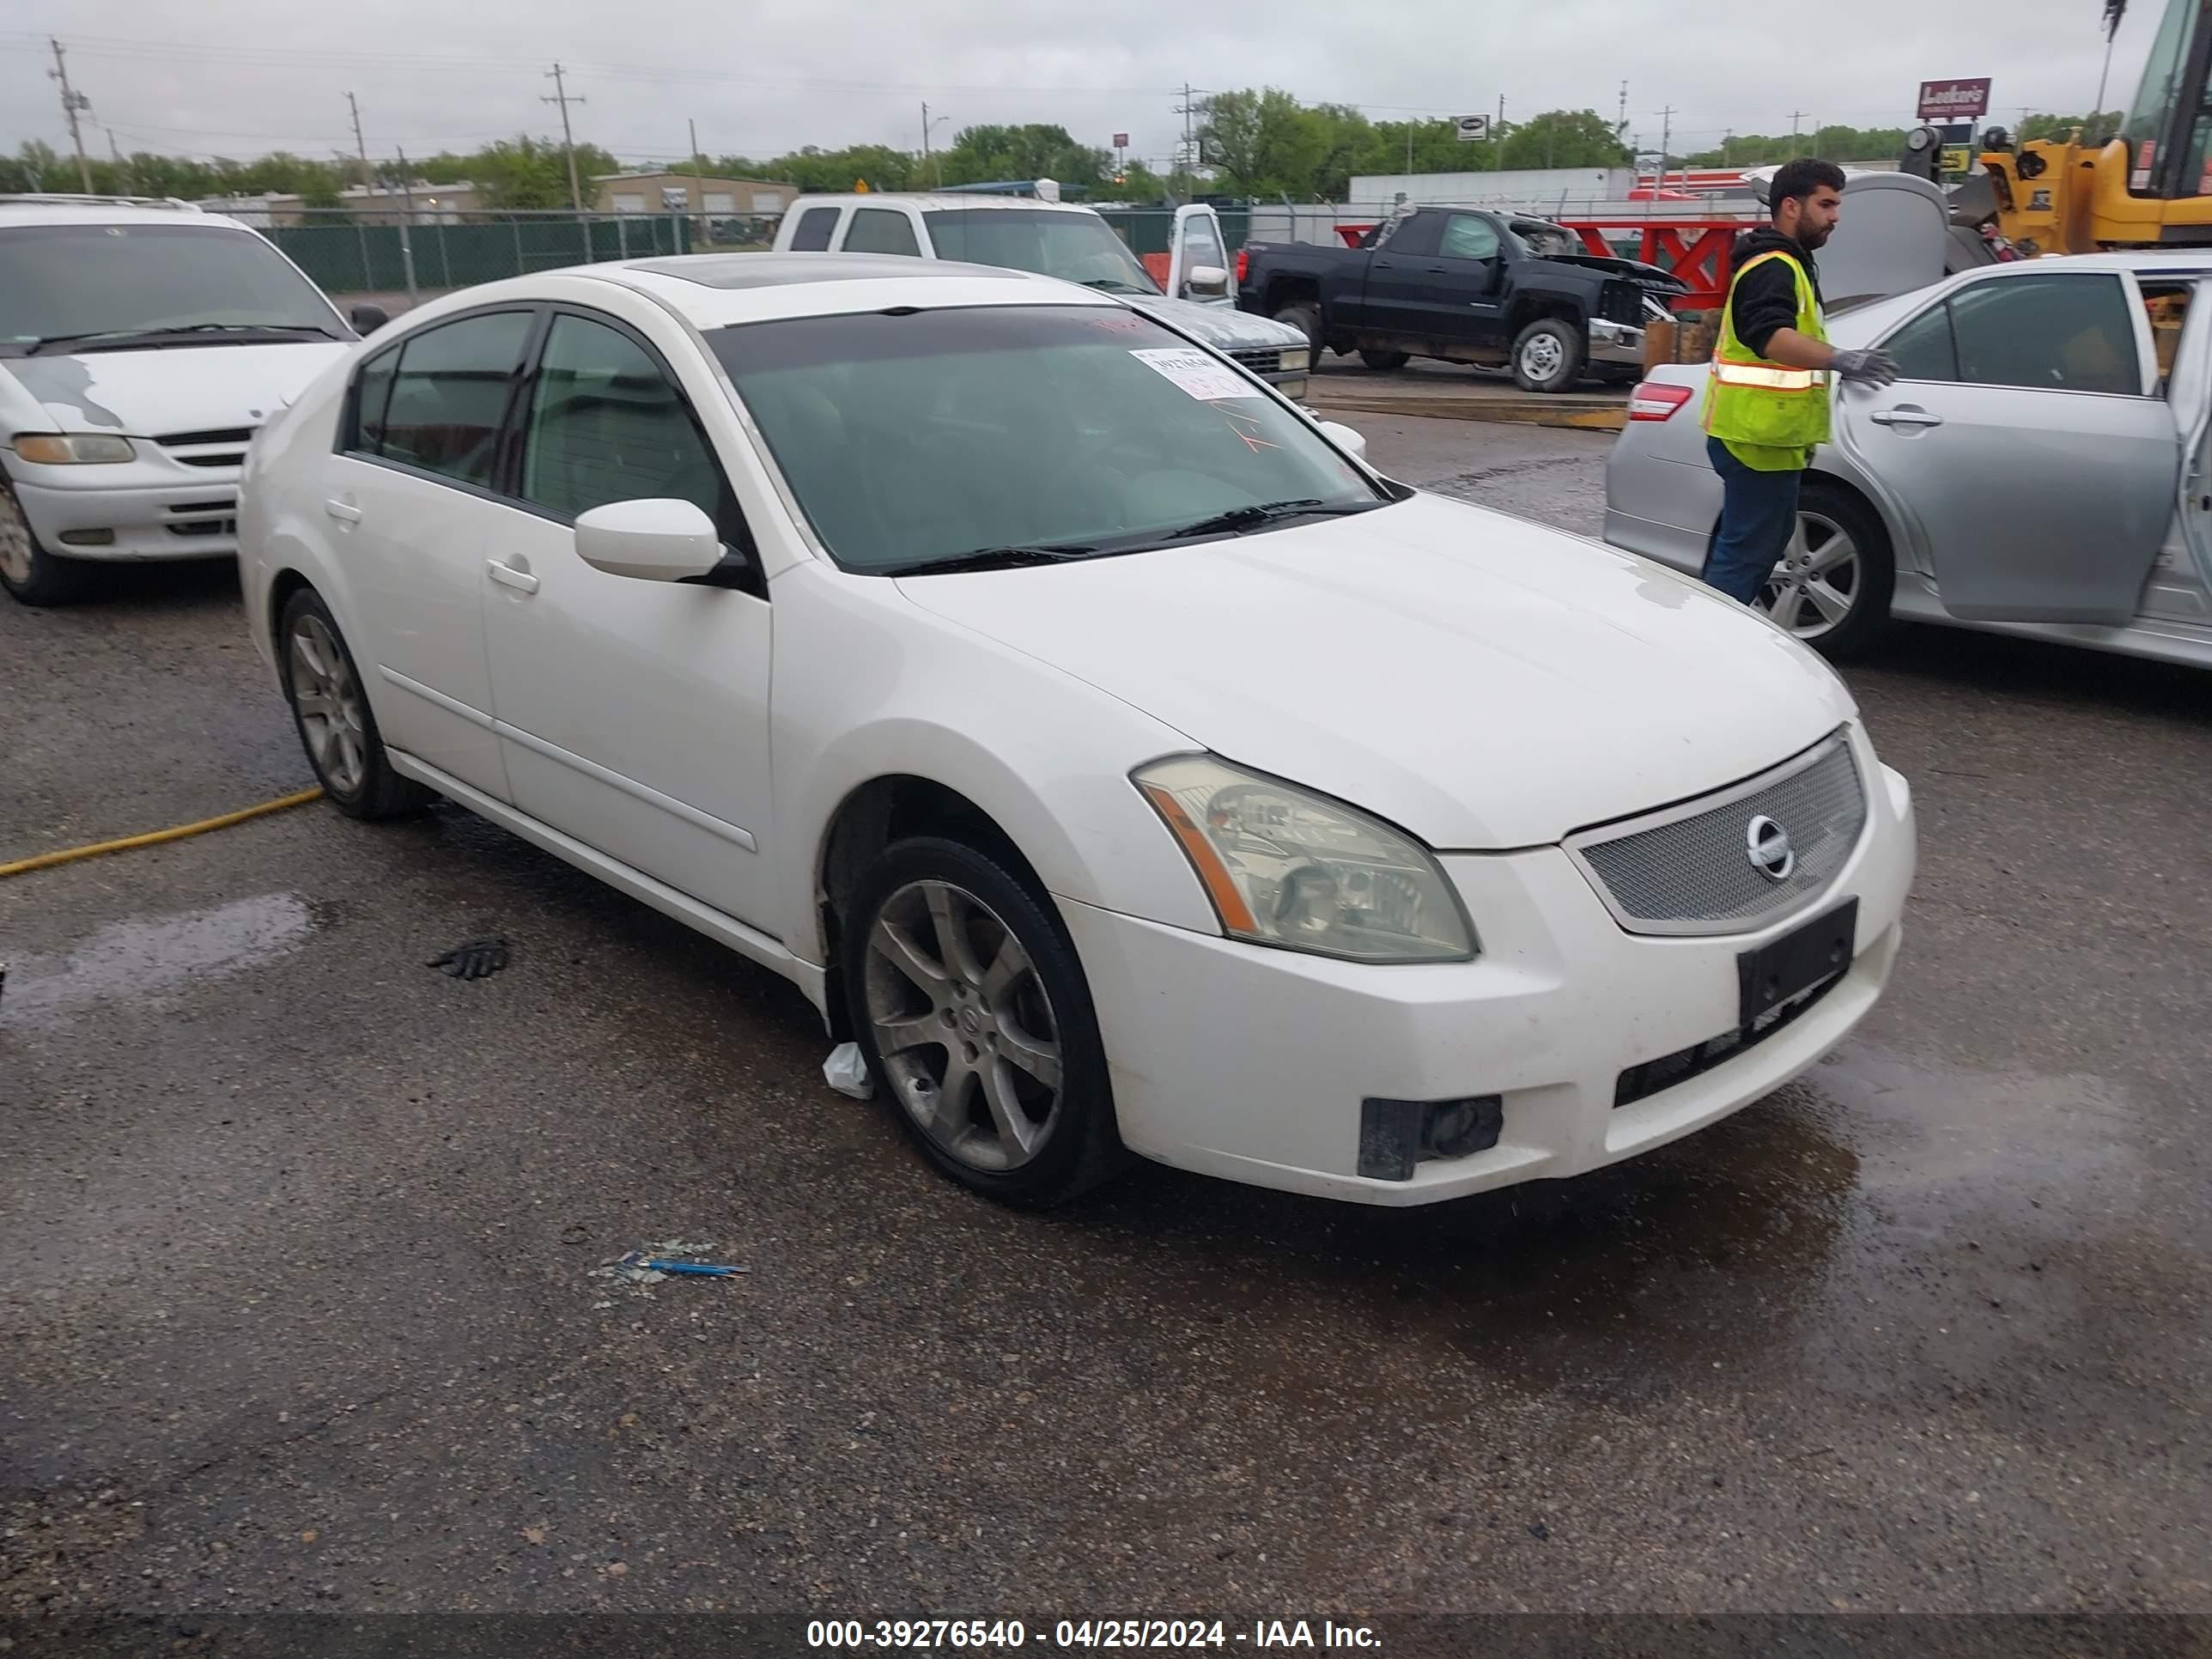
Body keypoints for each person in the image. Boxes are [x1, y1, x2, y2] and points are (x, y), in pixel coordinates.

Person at [1701, 159, 1899, 605]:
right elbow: (1770, 337)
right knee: (1748, 552)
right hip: (1756, 437)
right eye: (1826, 204)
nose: (1835, 216)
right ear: (1791, 206)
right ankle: (1708, 644)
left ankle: (1710, 627)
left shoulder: (1788, 263)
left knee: (1755, 544)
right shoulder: (1773, 266)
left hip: (1764, 435)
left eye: (1837, 205)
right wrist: (1841, 360)